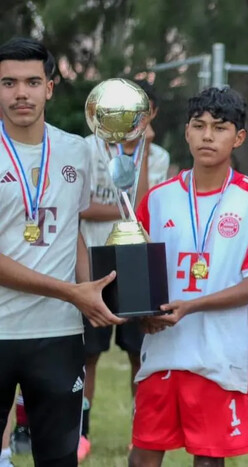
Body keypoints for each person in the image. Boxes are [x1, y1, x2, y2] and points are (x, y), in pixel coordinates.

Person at [128, 87, 248, 467]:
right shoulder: (158, 198)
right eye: (198, 126)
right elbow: (137, 268)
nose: (207, 136)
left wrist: (192, 306)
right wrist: (140, 311)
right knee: (142, 458)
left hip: (218, 356)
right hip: (163, 352)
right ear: (186, 133)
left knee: (209, 461)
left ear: (239, 137)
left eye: (219, 127)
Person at [0, 37, 122, 466]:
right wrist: (71, 292)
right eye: (9, 83)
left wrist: (89, 290)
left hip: (58, 335)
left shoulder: (76, 149)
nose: (21, 93)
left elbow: (71, 228)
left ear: (49, 87)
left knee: (59, 459)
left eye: (32, 82)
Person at [78, 79, 169, 460]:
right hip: (92, 262)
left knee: (138, 354)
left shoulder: (159, 155)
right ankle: (81, 431)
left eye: (142, 109)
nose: (132, 115)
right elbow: (80, 207)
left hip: (136, 263)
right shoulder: (87, 147)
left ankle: (140, 428)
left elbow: (145, 206)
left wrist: (142, 147)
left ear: (151, 114)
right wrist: (123, 208)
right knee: (88, 356)